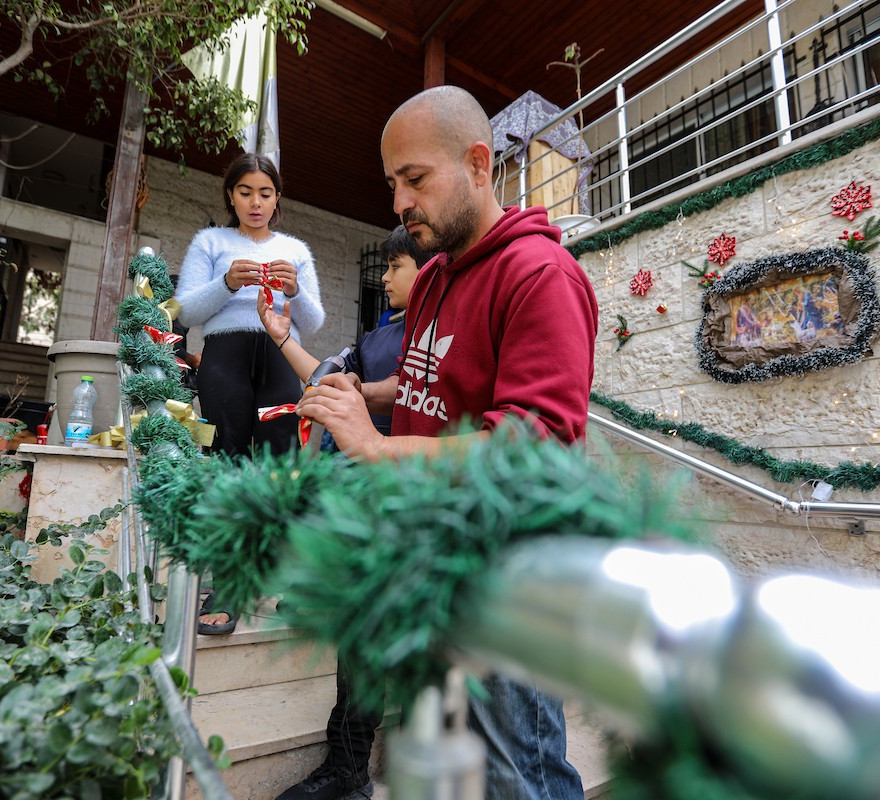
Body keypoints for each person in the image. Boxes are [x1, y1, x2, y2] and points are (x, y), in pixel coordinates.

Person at [297, 86, 597, 800]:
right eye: (392, 185)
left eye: (416, 178)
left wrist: (375, 448)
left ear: (478, 164)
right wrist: (367, 396)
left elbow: (529, 449)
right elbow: (430, 379)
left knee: (519, 771)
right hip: (434, 552)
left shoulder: (541, 277)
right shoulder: (433, 277)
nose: (400, 203)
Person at [261, 224, 434, 800]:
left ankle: (359, 766)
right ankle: (349, 767)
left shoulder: (440, 332)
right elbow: (327, 379)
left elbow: (412, 393)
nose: (385, 278)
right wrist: (283, 337)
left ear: (430, 269)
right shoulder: (378, 333)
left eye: (397, 266)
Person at [176, 152, 325, 635]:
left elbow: (314, 322)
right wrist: (225, 283)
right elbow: (185, 311)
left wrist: (295, 291)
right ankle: (229, 584)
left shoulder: (295, 249)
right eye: (245, 192)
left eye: (265, 193)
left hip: (281, 357)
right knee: (229, 463)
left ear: (277, 198)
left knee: (283, 465)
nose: (255, 203)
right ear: (231, 195)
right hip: (225, 358)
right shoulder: (210, 242)